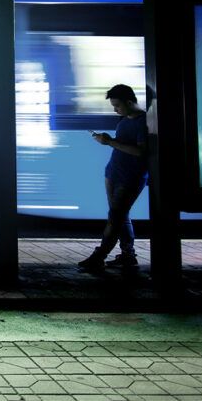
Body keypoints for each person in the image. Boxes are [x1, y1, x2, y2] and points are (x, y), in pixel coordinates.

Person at [78, 84, 148, 271]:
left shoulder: (144, 122)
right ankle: (128, 255)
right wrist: (108, 141)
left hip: (131, 177)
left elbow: (141, 152)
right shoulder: (124, 121)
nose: (115, 109)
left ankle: (99, 255)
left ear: (130, 101)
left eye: (117, 105)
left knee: (115, 216)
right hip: (113, 173)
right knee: (120, 215)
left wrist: (110, 142)